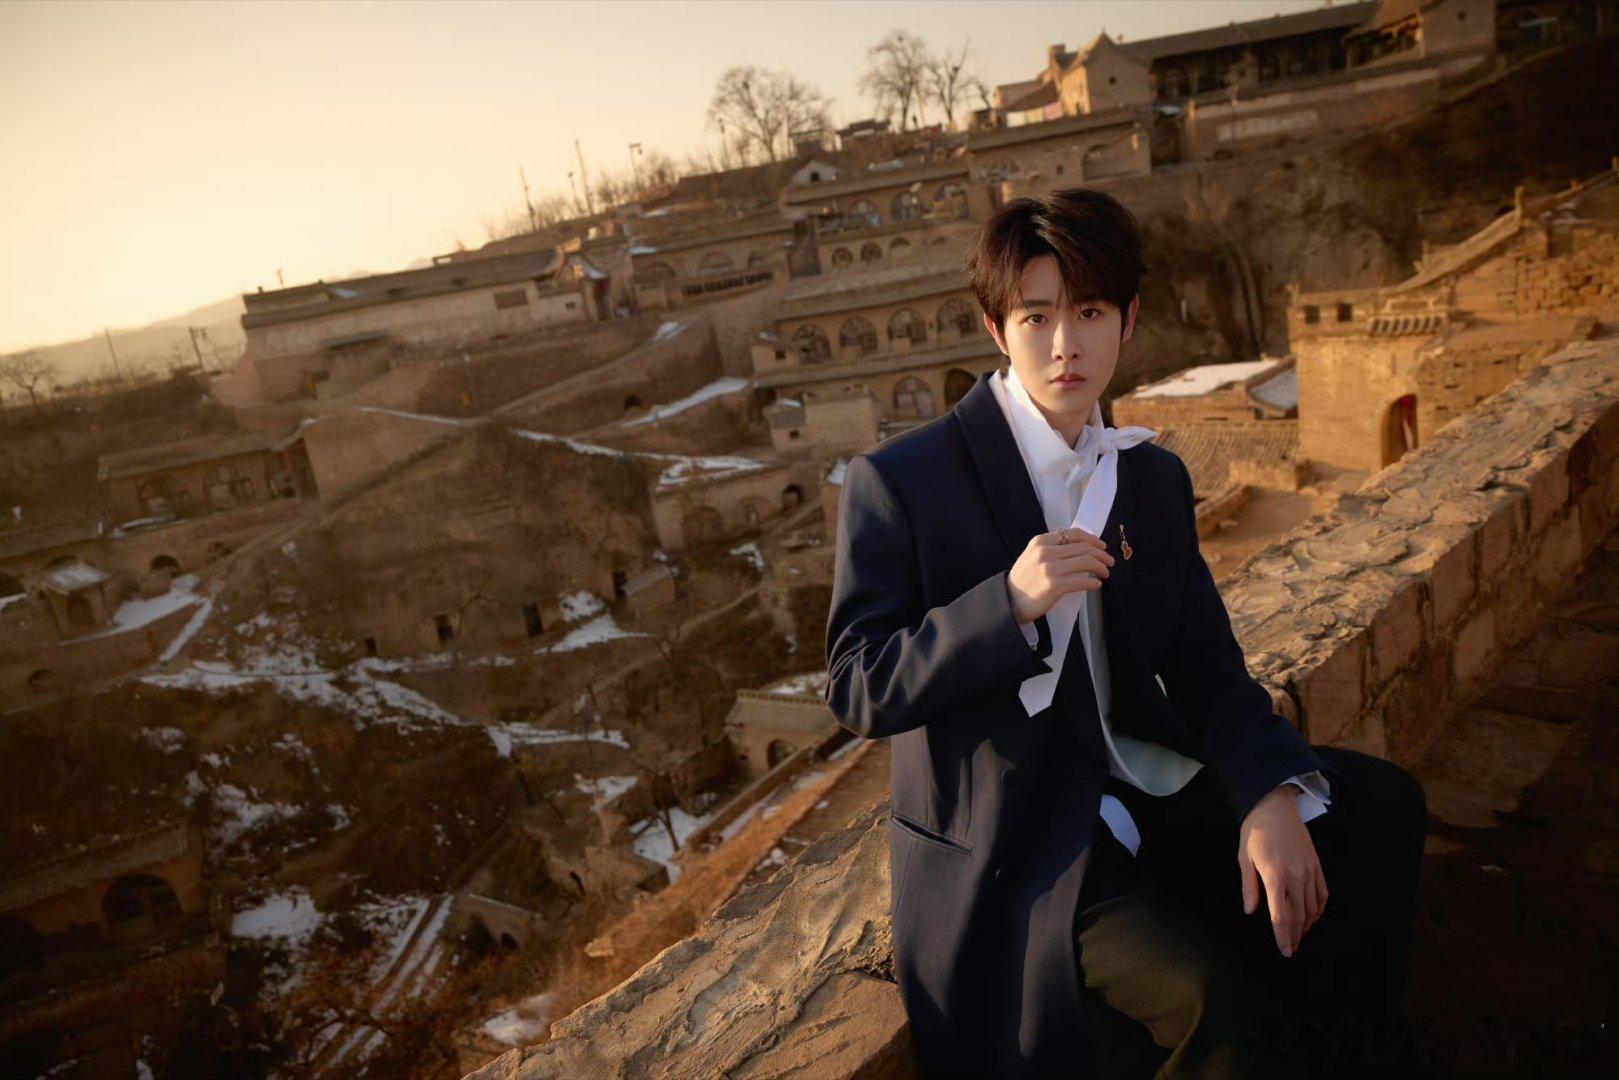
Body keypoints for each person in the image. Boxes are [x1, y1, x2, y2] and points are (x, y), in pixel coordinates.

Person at [823, 188, 1427, 1079]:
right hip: (1021, 835)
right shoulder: (904, 480)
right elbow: (855, 684)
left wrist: (1266, 793)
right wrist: (1005, 604)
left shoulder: (1148, 476)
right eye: (1036, 317)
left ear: (1128, 320)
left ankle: (1355, 1054)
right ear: (997, 329)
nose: (1064, 345)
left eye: (1090, 313)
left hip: (1146, 778)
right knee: (1209, 993)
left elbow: (1206, 665)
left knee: (1381, 810)